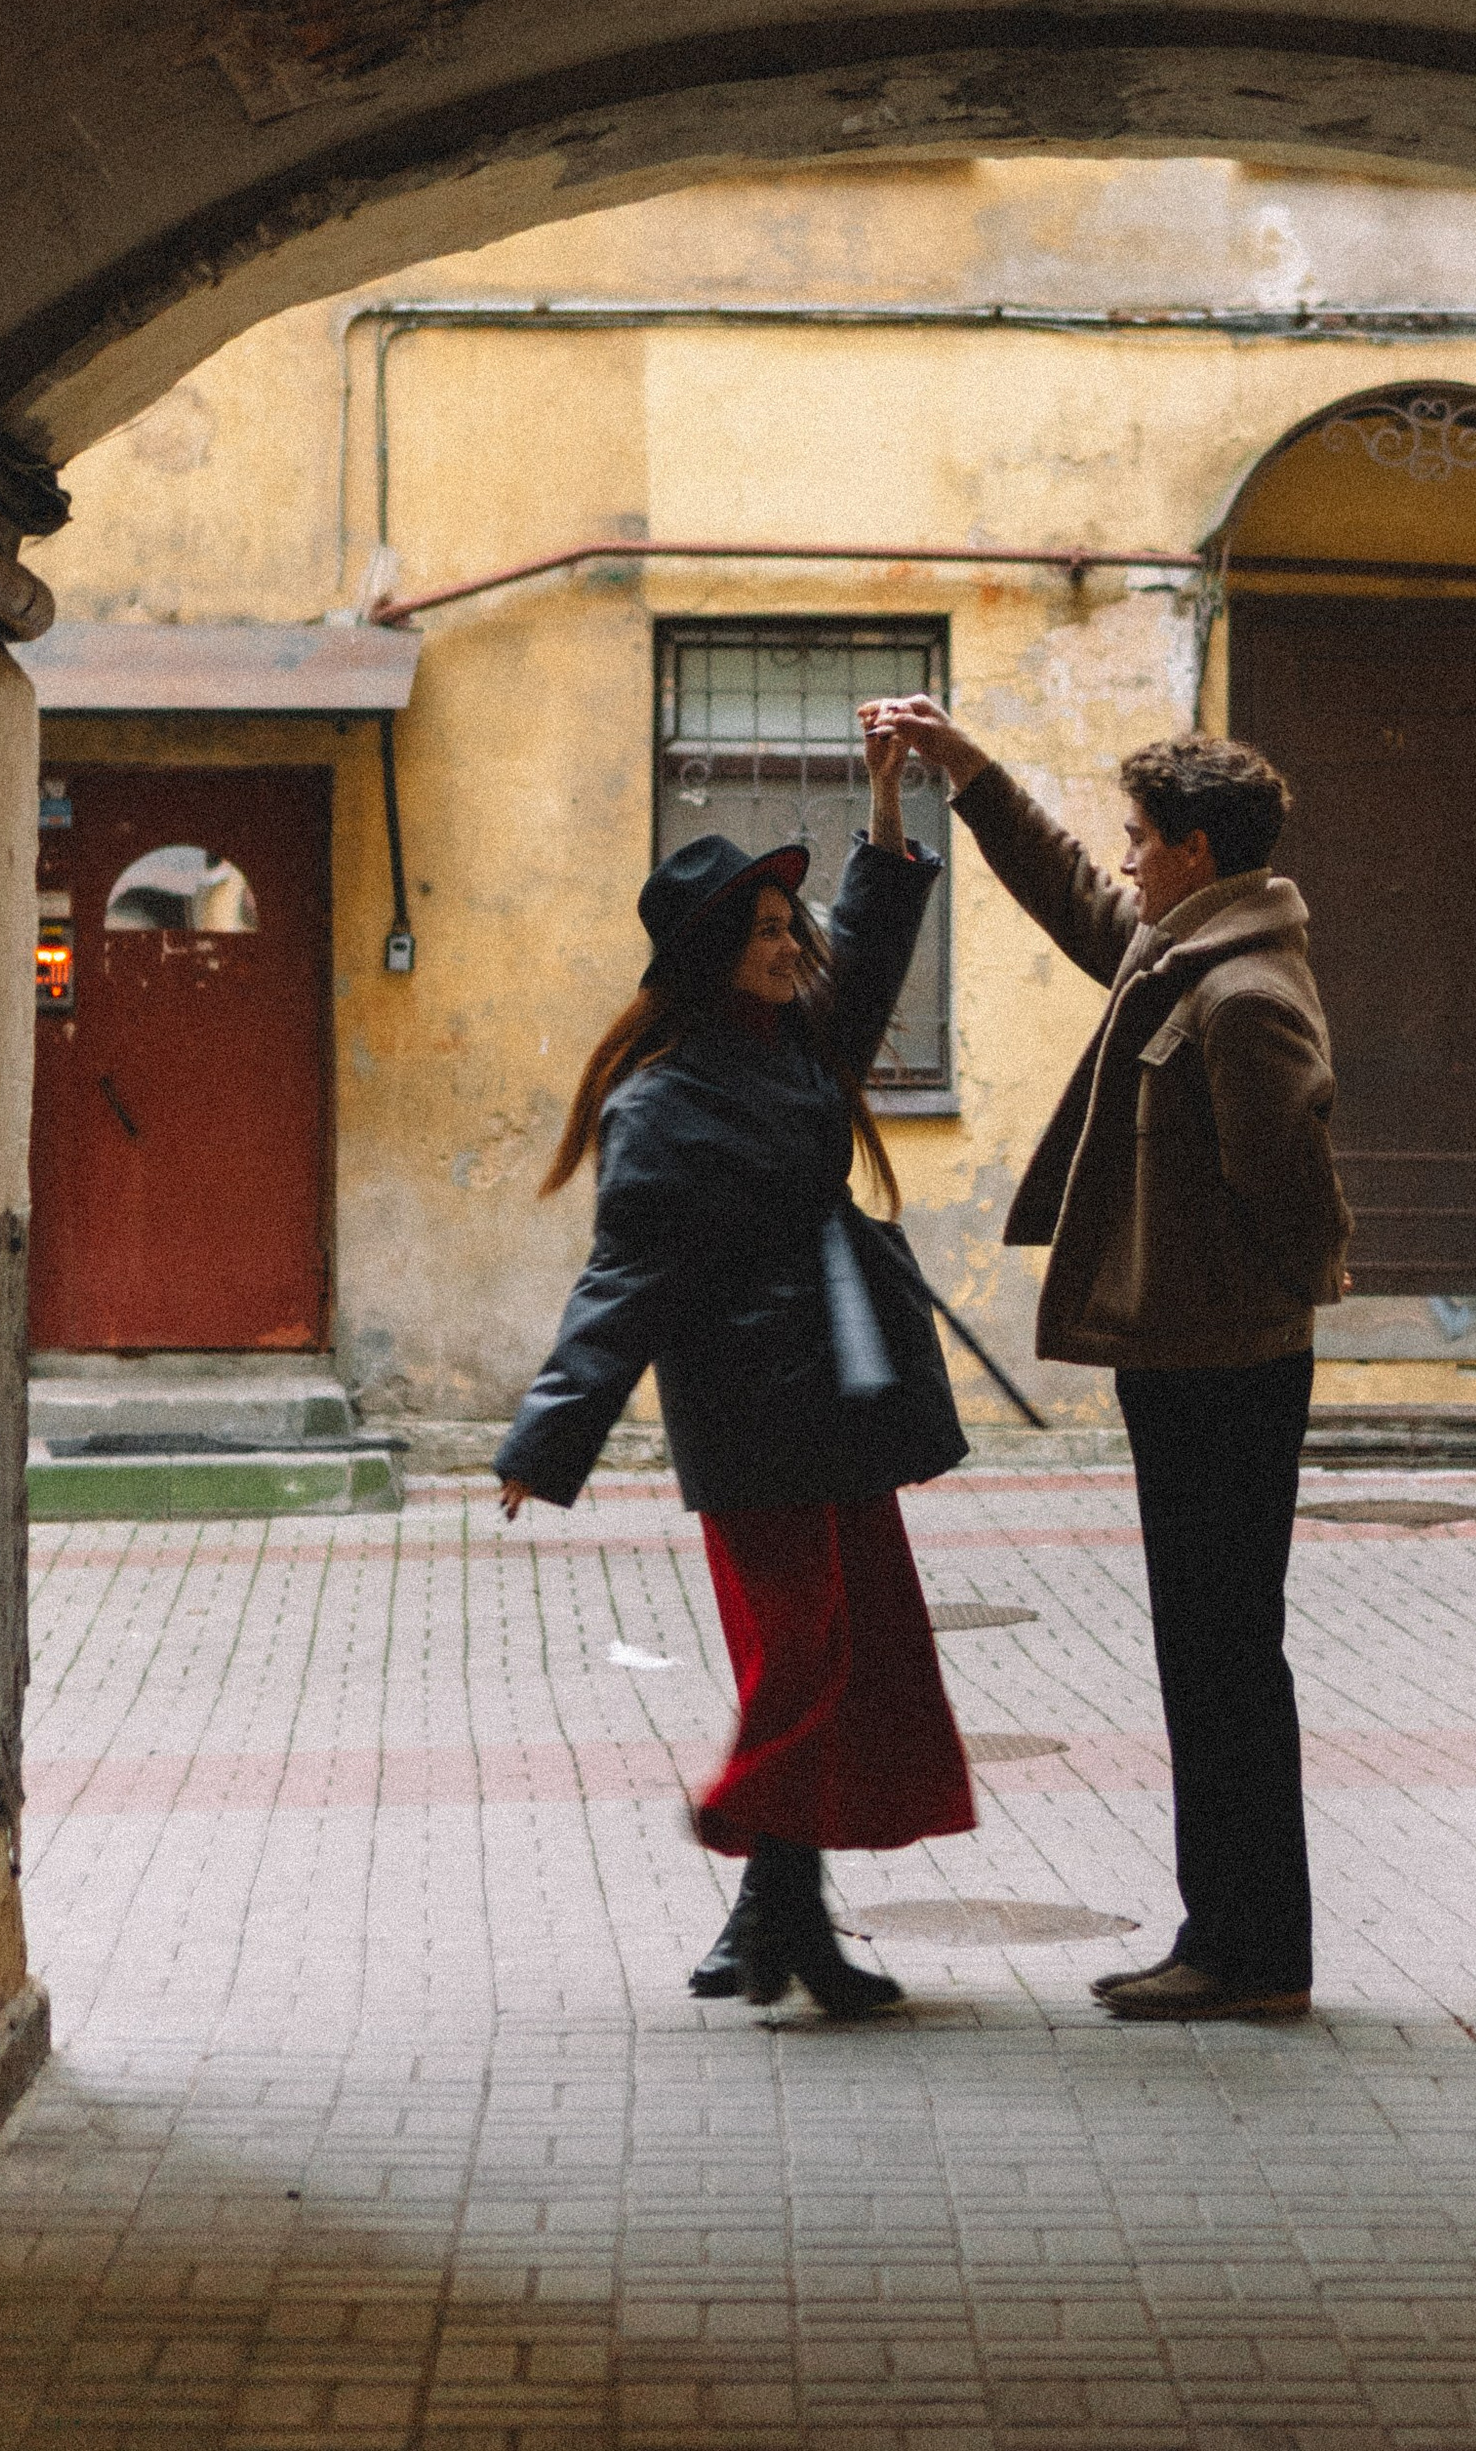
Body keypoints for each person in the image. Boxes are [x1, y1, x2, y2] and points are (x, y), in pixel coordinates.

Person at [869, 700, 1351, 2021]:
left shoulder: (1244, 991)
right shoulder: (1189, 947)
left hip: (1224, 1371)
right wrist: (969, 776)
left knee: (1224, 1658)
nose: (1127, 859)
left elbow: (1293, 1190)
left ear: (1195, 849)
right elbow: (1079, 900)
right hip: (1196, 1357)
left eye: (1142, 839)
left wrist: (1252, 1304)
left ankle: (1250, 1955)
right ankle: (1231, 1939)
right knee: (1206, 1652)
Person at [494, 715, 972, 2018]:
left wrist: (885, 798)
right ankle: (763, 1880)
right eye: (763, 930)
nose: (789, 942)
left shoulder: (800, 1044)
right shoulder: (663, 1100)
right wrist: (550, 1439)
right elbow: (626, 1283)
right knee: (802, 1656)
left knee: (857, 1652)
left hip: (844, 1387)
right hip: (752, 1413)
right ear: (714, 955)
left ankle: (778, 1922)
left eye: (787, 925)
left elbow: (868, 955)